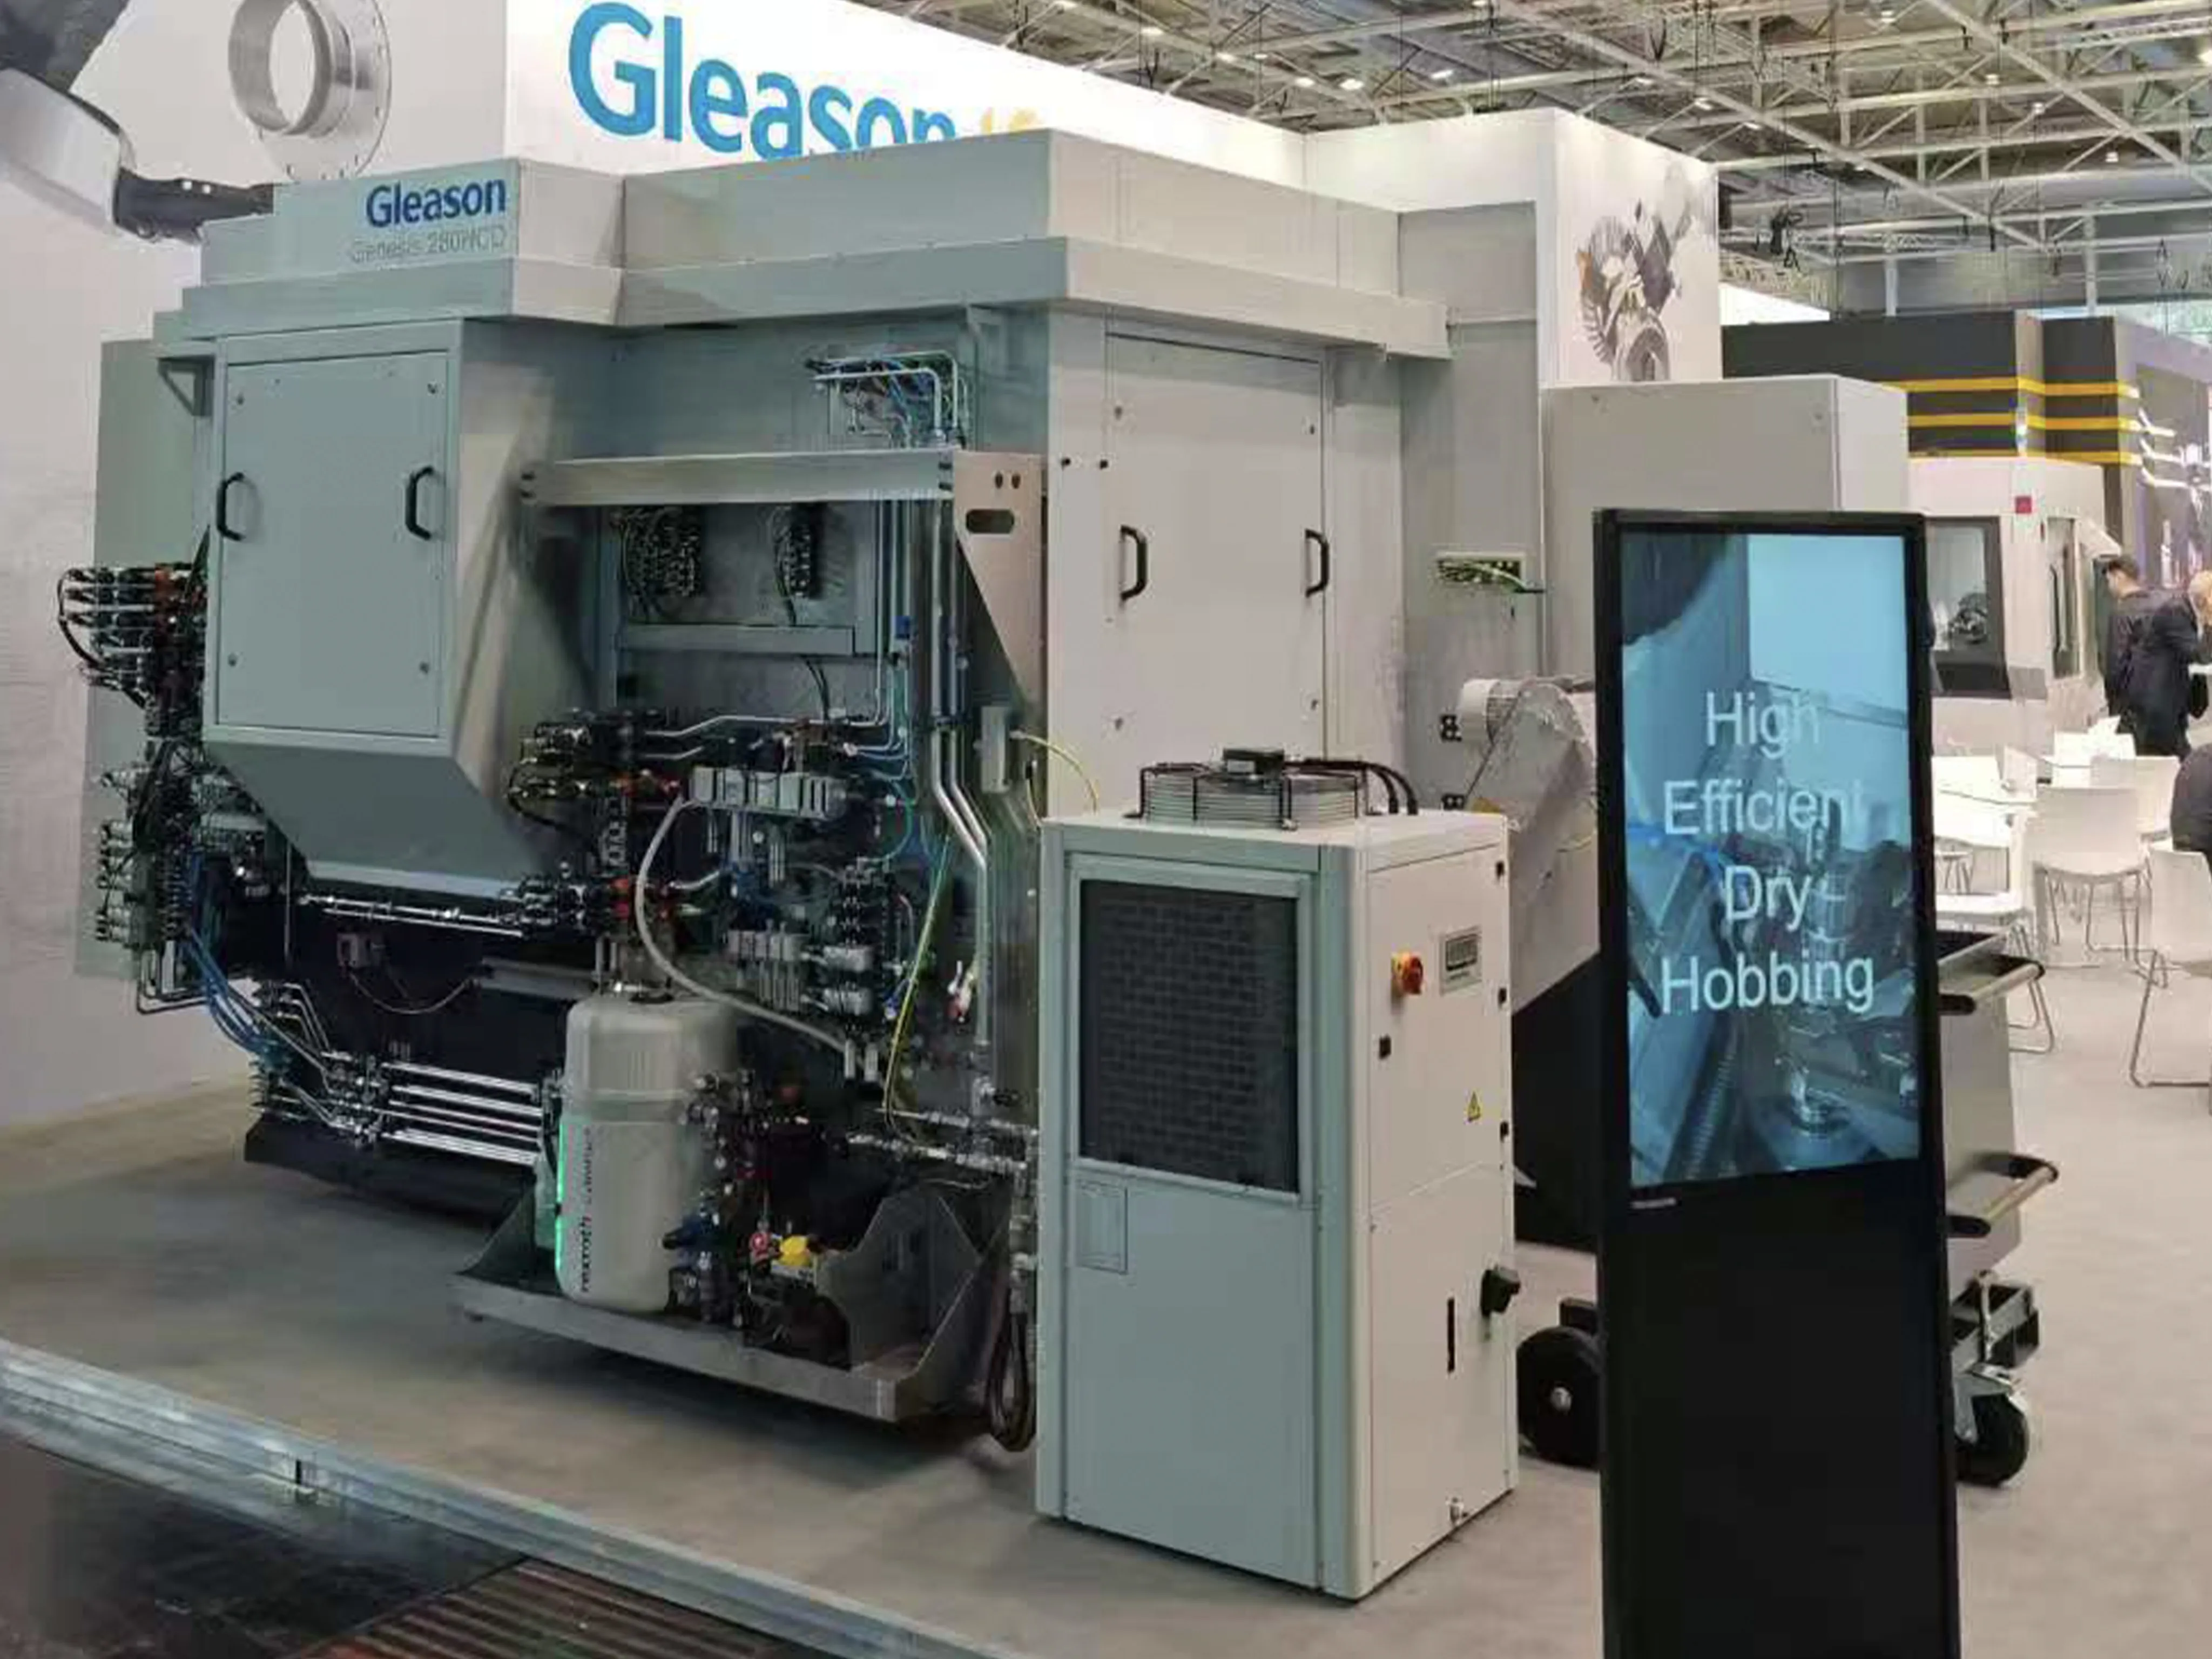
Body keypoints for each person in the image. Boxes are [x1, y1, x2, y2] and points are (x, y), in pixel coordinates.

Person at [2100, 555, 2200, 757]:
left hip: (2138, 715)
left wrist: (2115, 711)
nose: (2109, 587)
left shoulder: (2122, 612)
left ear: (2119, 576)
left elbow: (2116, 669)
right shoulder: (2167, 605)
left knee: (2143, 768)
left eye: (2109, 580)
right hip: (2172, 709)